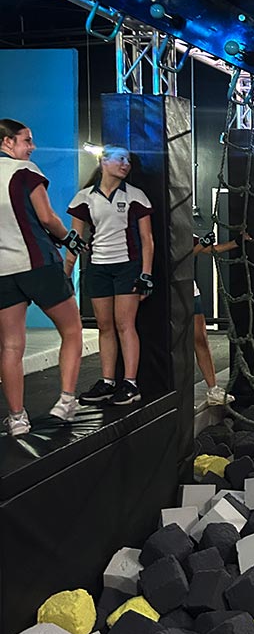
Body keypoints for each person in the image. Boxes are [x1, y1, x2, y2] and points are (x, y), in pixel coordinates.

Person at [0, 118, 85, 436]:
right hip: (38, 263)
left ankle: (17, 418)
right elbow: (48, 218)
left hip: (4, 271)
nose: (32, 146)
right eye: (27, 140)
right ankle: (65, 402)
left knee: (10, 346)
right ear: (8, 142)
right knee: (73, 330)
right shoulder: (26, 171)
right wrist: (70, 240)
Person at [66, 146, 154, 407]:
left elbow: (147, 239)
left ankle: (130, 382)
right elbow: (75, 240)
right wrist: (66, 274)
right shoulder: (84, 198)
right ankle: (107, 381)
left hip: (127, 266)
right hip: (98, 267)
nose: (126, 164)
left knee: (125, 324)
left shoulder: (136, 196)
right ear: (104, 161)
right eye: (121, 159)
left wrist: (146, 274)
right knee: (104, 326)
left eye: (129, 160)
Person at [192, 229, 253, 406]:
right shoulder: (163, 230)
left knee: (201, 338)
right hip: (171, 291)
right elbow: (178, 260)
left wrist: (236, 242)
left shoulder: (185, 230)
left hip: (190, 289)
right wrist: (201, 245)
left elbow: (209, 250)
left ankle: (212, 389)